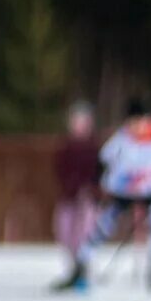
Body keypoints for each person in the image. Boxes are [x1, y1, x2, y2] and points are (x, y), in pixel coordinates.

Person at [52, 99, 151, 291]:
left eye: (140, 121)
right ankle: (81, 265)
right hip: (123, 192)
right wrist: (104, 182)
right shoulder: (121, 139)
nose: (137, 127)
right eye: (133, 122)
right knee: (103, 227)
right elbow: (104, 161)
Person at [52, 101, 100, 279]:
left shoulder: (93, 148)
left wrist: (90, 191)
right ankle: (73, 269)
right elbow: (60, 171)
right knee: (64, 232)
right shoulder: (66, 147)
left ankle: (83, 269)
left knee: (84, 233)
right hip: (68, 197)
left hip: (87, 200)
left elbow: (98, 173)